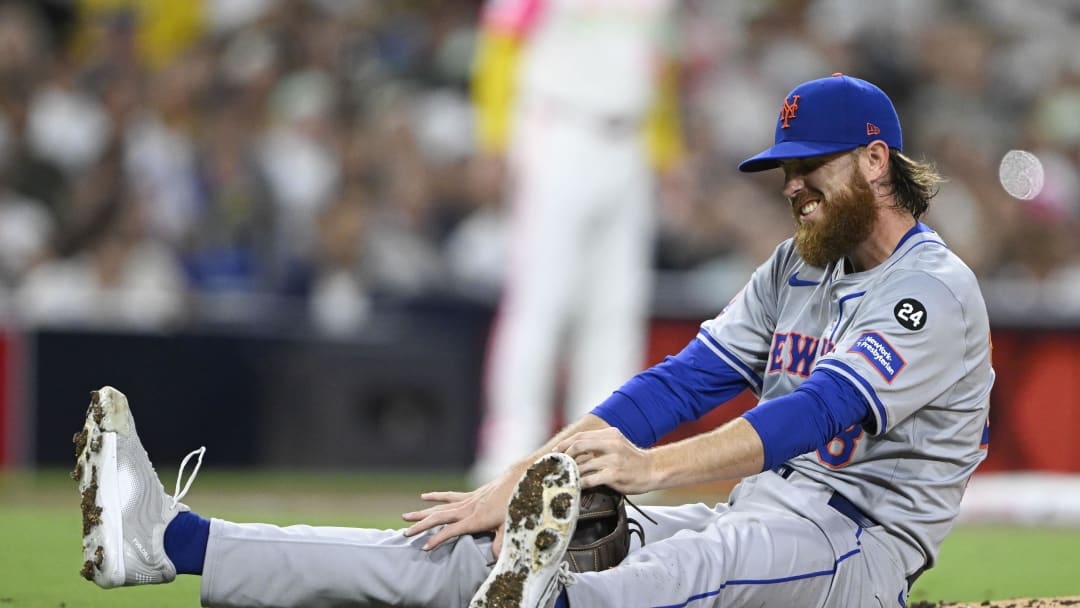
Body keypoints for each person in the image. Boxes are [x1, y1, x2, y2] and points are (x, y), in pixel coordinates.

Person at [75, 74, 993, 608]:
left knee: (643, 579)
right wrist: (520, 482)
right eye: (784, 172)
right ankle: (171, 540)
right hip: (759, 515)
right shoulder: (799, 266)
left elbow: (819, 410)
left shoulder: (932, 292)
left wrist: (650, 471)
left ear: (877, 160)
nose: (791, 187)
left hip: (854, 545)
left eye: (812, 168)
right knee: (458, 550)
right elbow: (680, 384)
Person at [468, 0, 683, 484]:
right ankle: (508, 453)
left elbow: (658, 63)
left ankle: (600, 458)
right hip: (558, 130)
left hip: (629, 142)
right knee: (541, 302)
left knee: (617, 309)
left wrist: (666, 149)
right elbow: (500, 45)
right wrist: (494, 137)